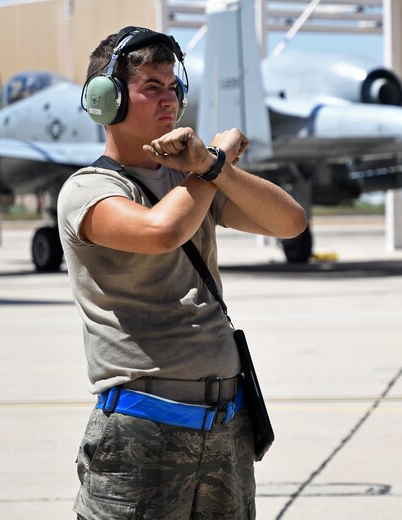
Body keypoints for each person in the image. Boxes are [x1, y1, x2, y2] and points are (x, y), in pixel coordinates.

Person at [57, 26, 306, 519]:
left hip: (226, 429)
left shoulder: (193, 186)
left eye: (174, 87)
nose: (168, 99)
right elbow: (160, 230)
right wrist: (209, 167)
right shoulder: (87, 190)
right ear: (106, 100)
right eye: (151, 86)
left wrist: (218, 169)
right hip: (140, 435)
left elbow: (289, 222)